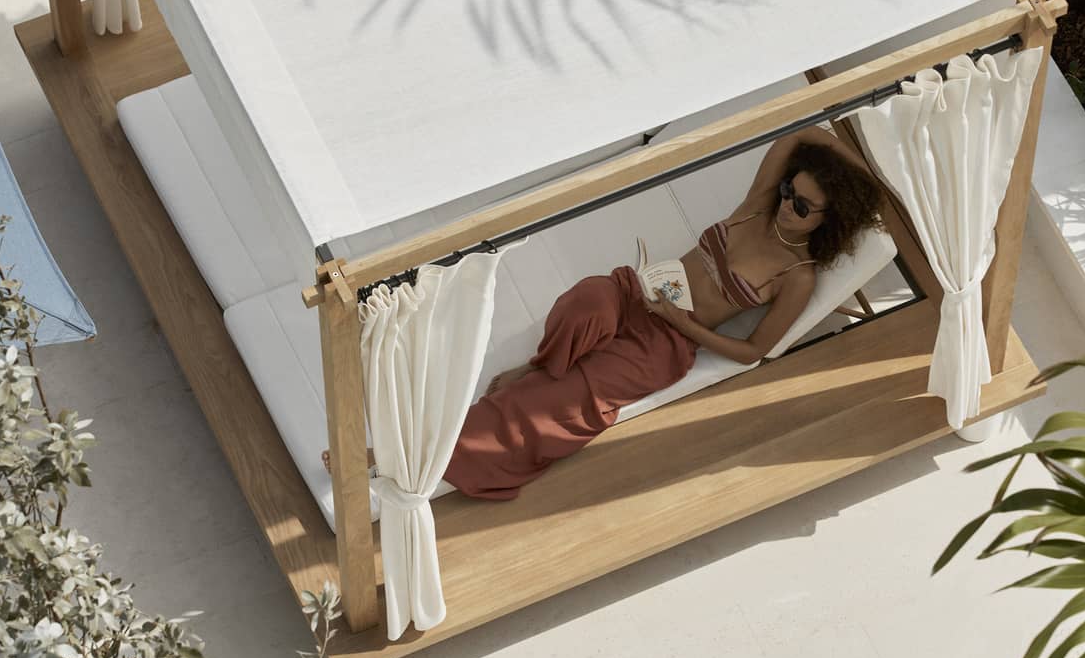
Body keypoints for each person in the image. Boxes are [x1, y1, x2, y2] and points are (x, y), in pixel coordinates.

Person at [325, 126, 886, 499]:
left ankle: (405, 455)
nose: (788, 205)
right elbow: (800, 136)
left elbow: (754, 351)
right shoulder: (758, 207)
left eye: (803, 206)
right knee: (585, 303)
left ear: (826, 220)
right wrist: (859, 174)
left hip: (667, 343)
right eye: (789, 190)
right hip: (637, 292)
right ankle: (539, 367)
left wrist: (681, 323)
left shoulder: (797, 275)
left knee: (560, 400)